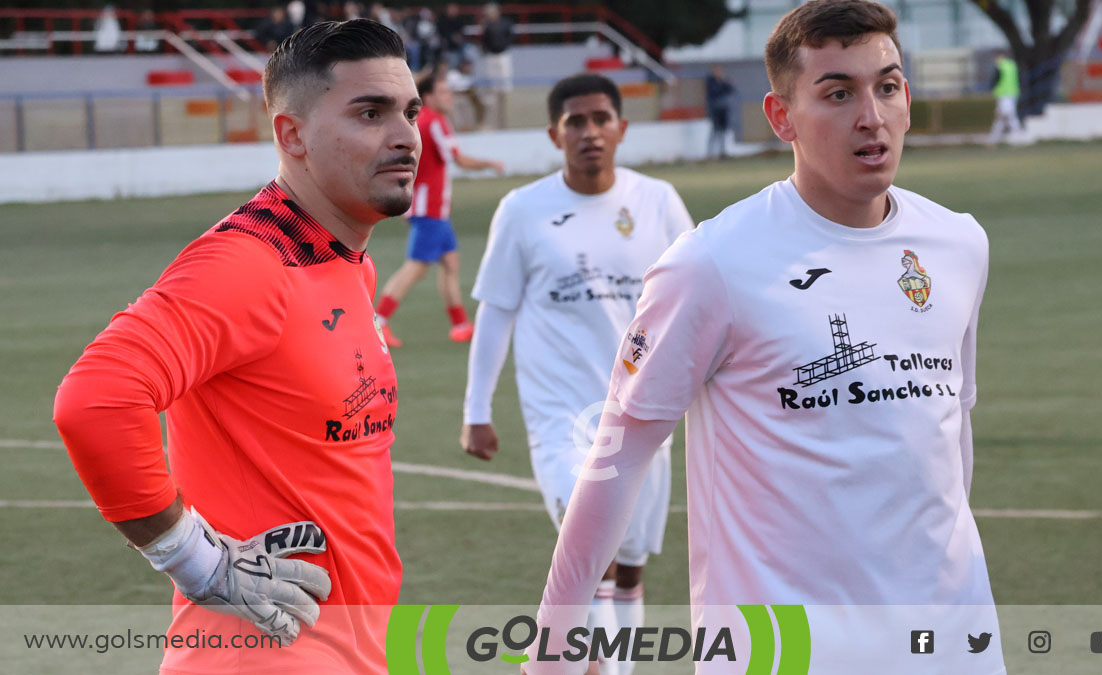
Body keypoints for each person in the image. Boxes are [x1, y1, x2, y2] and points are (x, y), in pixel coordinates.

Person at [524, 2, 1004, 674]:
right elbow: (619, 456)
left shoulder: (959, 244)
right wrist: (553, 650)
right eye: (838, 93)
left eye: (887, 86)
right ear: (782, 118)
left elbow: (951, 437)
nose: (871, 115)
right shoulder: (710, 264)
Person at [53, 19, 420, 674]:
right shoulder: (247, 264)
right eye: (371, 113)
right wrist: (194, 560)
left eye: (409, 112)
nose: (404, 136)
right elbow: (96, 399)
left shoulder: (345, 263)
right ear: (292, 135)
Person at [464, 73, 693, 675]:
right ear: (554, 133)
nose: (589, 132)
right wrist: (476, 411)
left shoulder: (659, 202)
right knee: (596, 548)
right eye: (576, 122)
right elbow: (496, 311)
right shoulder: (523, 210)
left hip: (644, 412)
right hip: (562, 417)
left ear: (621, 128)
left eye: (600, 119)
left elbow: (697, 303)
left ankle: (619, 666)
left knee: (633, 559)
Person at [375, 69, 504, 348]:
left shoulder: (421, 121)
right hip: (429, 209)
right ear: (430, 96)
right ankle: (379, 321)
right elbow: (457, 159)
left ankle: (459, 324)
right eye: (445, 92)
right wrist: (490, 164)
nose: (451, 98)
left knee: (450, 263)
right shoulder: (436, 122)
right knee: (417, 267)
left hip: (431, 208)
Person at [479, 2, 514, 128]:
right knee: (493, 86)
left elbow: (509, 36)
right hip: (491, 56)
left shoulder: (505, 23)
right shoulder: (487, 25)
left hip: (502, 54)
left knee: (504, 83)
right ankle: (495, 95)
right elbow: (484, 40)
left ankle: (503, 97)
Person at [987, 51, 1021, 145]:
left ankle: (1018, 138)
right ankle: (993, 139)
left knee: (1009, 115)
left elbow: (995, 80)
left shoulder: (1000, 67)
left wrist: (991, 89)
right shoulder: (1012, 66)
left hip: (1004, 95)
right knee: (1001, 118)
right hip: (1013, 93)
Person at [705, 64, 736, 159]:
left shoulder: (723, 81)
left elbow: (731, 89)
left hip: (723, 110)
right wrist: (721, 84)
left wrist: (724, 81)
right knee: (715, 131)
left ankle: (722, 152)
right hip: (715, 110)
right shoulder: (710, 81)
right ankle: (710, 153)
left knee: (723, 132)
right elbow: (714, 93)